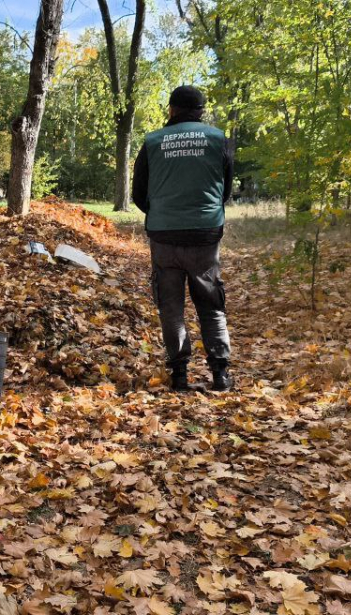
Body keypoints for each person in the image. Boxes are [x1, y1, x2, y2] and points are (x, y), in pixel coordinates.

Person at [132, 85, 234, 392]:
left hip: (164, 235)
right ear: (201, 111)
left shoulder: (152, 142)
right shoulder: (220, 141)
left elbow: (138, 194)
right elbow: (225, 191)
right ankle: (220, 374)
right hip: (205, 235)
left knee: (171, 306)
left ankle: (179, 375)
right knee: (211, 304)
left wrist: (162, 212)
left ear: (171, 109)